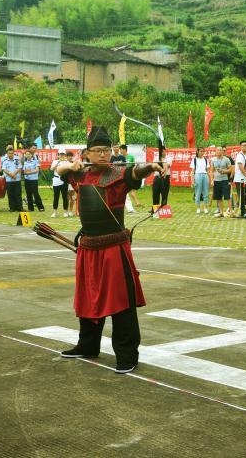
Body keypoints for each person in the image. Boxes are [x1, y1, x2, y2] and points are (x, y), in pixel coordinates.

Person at [55, 126, 162, 374]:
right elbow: (59, 170)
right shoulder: (79, 174)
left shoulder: (118, 174)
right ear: (87, 153)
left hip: (114, 248)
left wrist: (152, 167)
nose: (103, 155)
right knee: (88, 298)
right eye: (97, 151)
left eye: (106, 150)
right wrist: (70, 166)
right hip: (89, 248)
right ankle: (88, 345)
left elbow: (136, 172)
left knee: (121, 302)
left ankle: (127, 354)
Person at [209, 146, 232, 217]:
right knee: (218, 197)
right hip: (216, 181)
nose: (219, 151)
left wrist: (224, 171)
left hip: (224, 180)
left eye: (220, 150)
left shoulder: (226, 159)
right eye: (217, 150)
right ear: (215, 152)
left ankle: (231, 212)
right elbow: (211, 171)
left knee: (227, 196)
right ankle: (221, 212)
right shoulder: (213, 160)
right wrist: (212, 180)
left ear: (223, 151)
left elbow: (230, 170)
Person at [233, 141, 246, 218]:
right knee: (241, 195)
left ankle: (241, 211)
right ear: (240, 146)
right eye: (244, 145)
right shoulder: (240, 155)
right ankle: (241, 212)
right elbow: (241, 167)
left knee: (244, 195)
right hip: (239, 179)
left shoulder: (245, 155)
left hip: (243, 179)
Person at [1, 145, 23, 212]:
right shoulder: (5, 160)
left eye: (11, 153)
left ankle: (19, 208)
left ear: (13, 153)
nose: (10, 154)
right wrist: (10, 174)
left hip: (17, 179)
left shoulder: (17, 159)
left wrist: (14, 174)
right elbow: (4, 169)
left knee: (18, 194)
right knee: (10, 194)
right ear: (7, 154)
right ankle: (12, 208)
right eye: (9, 153)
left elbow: (19, 167)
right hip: (9, 180)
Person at [50, 150, 71, 217]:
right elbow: (52, 169)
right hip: (56, 180)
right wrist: (58, 162)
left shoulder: (67, 162)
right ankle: (54, 212)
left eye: (63, 154)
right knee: (56, 196)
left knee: (65, 196)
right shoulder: (55, 161)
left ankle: (65, 211)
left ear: (65, 155)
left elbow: (69, 170)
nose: (61, 155)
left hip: (64, 180)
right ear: (58, 155)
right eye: (60, 154)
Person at [190, 148, 210, 214]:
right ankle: (198, 207)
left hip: (205, 175)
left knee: (206, 192)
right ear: (197, 152)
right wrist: (192, 181)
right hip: (198, 175)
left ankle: (205, 207)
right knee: (198, 192)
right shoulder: (194, 160)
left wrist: (209, 179)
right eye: (201, 151)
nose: (202, 152)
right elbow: (192, 171)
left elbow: (208, 170)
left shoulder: (206, 159)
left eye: (203, 151)